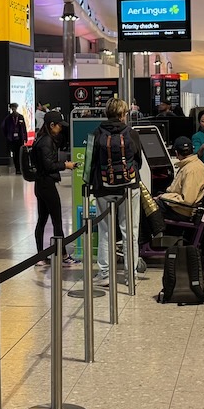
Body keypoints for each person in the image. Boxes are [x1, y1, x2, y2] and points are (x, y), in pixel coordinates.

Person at [85, 98, 142, 286]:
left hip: (103, 188)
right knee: (130, 232)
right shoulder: (131, 133)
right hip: (129, 188)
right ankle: (130, 275)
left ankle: (104, 274)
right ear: (123, 114)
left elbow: (89, 164)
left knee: (105, 232)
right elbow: (138, 161)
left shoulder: (95, 134)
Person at [142, 135, 204, 244]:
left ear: (177, 153)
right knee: (150, 203)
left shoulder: (191, 170)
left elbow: (187, 200)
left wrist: (163, 197)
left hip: (181, 211)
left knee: (145, 208)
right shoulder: (193, 165)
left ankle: (142, 243)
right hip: (178, 207)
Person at [30, 110, 76, 266]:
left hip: (40, 184)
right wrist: (66, 165)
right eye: (59, 126)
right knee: (56, 220)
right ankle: (62, 255)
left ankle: (40, 256)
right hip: (47, 185)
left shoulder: (41, 139)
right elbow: (49, 165)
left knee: (42, 219)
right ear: (51, 125)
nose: (60, 129)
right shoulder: (46, 142)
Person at [2, 103, 28, 174]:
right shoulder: (8, 118)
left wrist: (25, 137)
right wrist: (7, 136)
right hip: (12, 139)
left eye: (15, 107)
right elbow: (4, 128)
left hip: (20, 138)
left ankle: (21, 168)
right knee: (15, 154)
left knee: (20, 153)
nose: (14, 109)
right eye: (12, 108)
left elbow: (24, 128)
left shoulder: (20, 117)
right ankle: (17, 168)